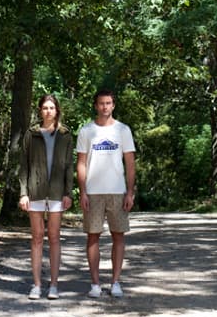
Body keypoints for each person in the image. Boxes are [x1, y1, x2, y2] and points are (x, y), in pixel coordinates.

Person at [76, 88, 136, 298]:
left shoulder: (123, 130)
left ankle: (116, 282)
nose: (105, 107)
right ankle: (95, 284)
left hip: (117, 191)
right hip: (93, 192)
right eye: (101, 103)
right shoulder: (86, 131)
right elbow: (81, 163)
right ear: (96, 105)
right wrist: (82, 192)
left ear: (113, 105)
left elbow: (130, 163)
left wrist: (130, 192)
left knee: (118, 236)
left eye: (108, 103)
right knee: (93, 237)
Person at [19, 94, 73, 300]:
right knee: (37, 237)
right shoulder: (31, 134)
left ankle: (54, 285)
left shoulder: (65, 134)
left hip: (57, 192)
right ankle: (36, 285)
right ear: (40, 110)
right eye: (45, 108)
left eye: (52, 108)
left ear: (57, 110)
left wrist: (68, 192)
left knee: (54, 237)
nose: (48, 111)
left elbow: (69, 165)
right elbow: (23, 165)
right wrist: (23, 193)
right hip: (36, 190)